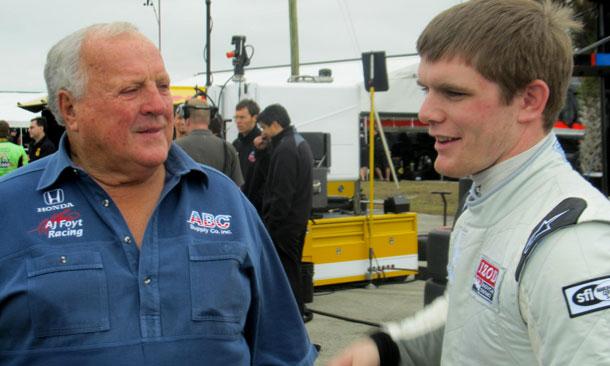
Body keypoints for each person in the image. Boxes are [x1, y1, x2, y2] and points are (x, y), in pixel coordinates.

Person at [0, 22, 316, 365]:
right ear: (70, 108)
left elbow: (283, 352)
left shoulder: (225, 201)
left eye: (162, 86)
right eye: (131, 90)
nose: (158, 105)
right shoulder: (10, 209)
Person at [330, 1, 610, 365]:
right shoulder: (494, 198)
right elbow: (476, 312)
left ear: (529, 100)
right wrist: (389, 347)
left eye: (453, 92)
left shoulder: (571, 248)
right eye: (425, 89)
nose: (426, 112)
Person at [258, 104, 313, 321]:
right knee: (293, 269)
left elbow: (282, 193)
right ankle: (295, 312)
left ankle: (292, 316)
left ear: (275, 124)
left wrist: (271, 224)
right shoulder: (298, 142)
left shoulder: (286, 149)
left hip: (285, 225)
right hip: (298, 221)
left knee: (286, 272)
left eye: (264, 127)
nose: (263, 132)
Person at [175, 98, 244, 186]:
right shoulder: (227, 148)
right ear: (209, 120)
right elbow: (237, 189)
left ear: (187, 120)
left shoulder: (175, 148)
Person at [232, 99, 269, 212]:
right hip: (238, 204)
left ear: (254, 118)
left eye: (242, 117)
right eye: (236, 117)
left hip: (256, 207)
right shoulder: (236, 144)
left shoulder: (263, 144)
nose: (238, 121)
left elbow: (267, 177)